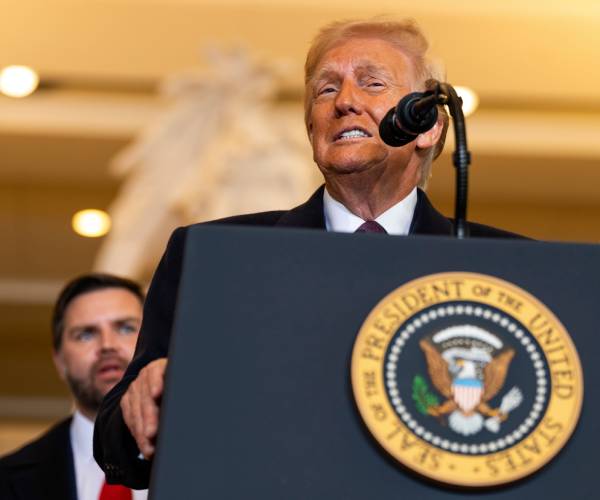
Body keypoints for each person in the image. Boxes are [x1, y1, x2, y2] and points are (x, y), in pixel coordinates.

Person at [94, 19, 521, 489]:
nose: (344, 101)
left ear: (428, 126)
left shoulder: (509, 269)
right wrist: (150, 401)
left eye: (372, 82)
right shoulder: (213, 257)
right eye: (326, 90)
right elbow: (118, 449)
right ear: (311, 129)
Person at [0, 274, 148, 500]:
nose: (107, 345)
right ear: (59, 361)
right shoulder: (7, 480)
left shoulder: (211, 459)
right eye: (86, 334)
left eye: (126, 328)